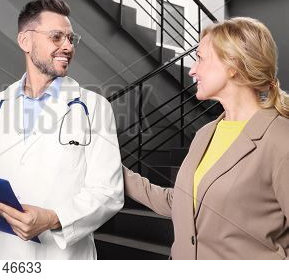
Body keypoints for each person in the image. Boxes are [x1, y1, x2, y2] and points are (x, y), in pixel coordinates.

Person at [0, 0, 124, 259]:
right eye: (56, 37)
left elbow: (109, 193)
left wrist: (52, 218)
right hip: (2, 254)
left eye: (71, 39)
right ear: (25, 41)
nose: (67, 46)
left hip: (62, 259)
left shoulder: (94, 107)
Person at [123, 17, 289, 259]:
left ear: (233, 64)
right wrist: (109, 167)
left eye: (200, 58)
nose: (192, 69)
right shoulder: (206, 133)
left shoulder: (280, 139)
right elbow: (179, 202)